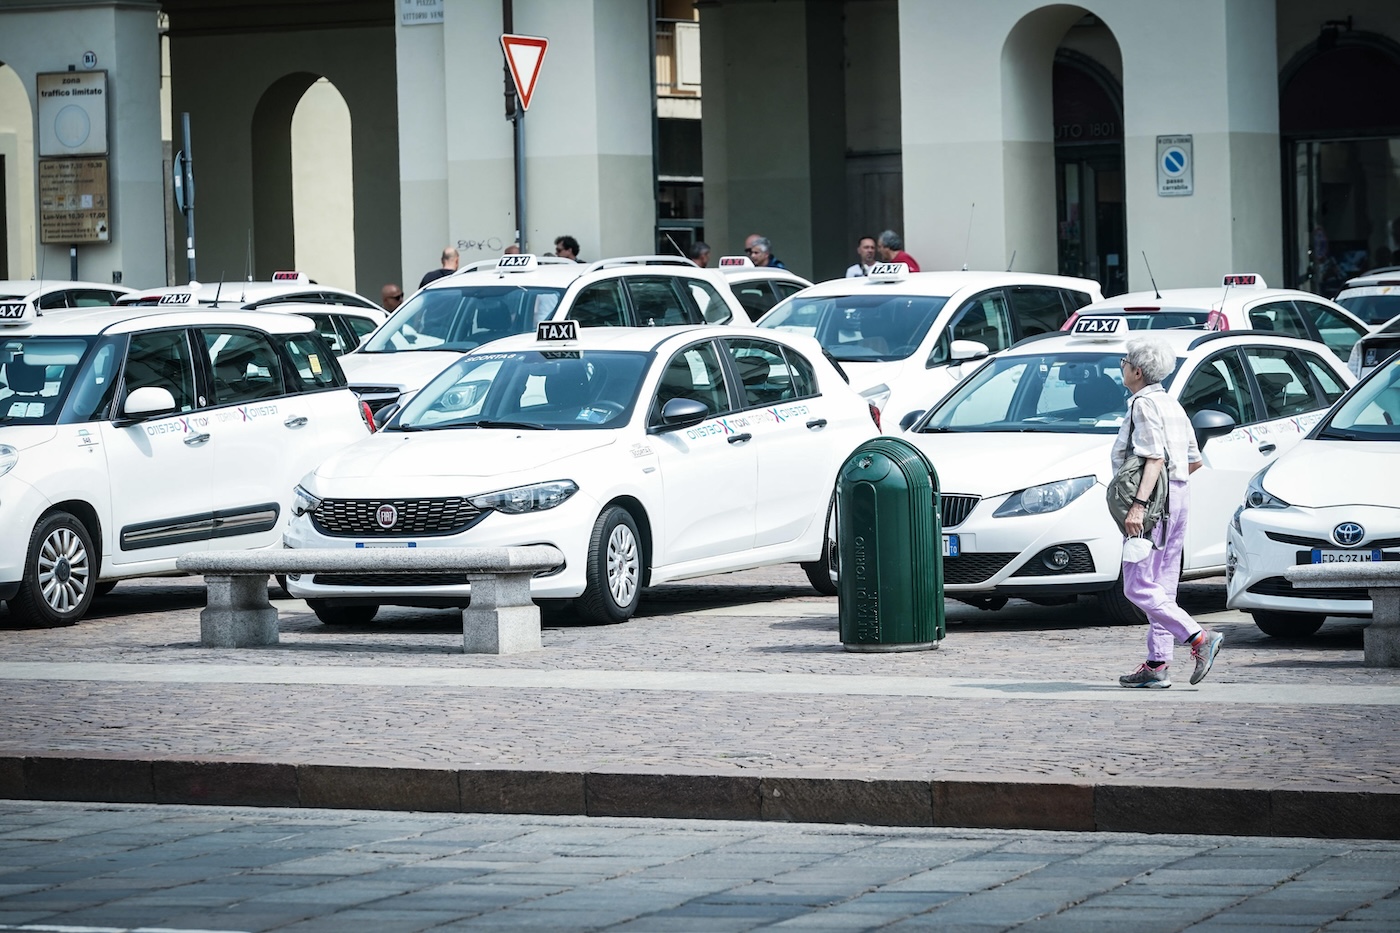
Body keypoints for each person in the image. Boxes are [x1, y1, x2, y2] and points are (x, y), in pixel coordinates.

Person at [1114, 336, 1222, 689]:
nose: (1122, 367)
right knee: (1162, 587)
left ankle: (1198, 637)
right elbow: (1193, 461)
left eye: (1125, 362)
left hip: (1154, 505)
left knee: (1136, 585)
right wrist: (1169, 489)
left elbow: (1153, 456)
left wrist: (1141, 504)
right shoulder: (1172, 404)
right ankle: (1158, 664)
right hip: (1178, 496)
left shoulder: (1142, 404)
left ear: (1137, 371)